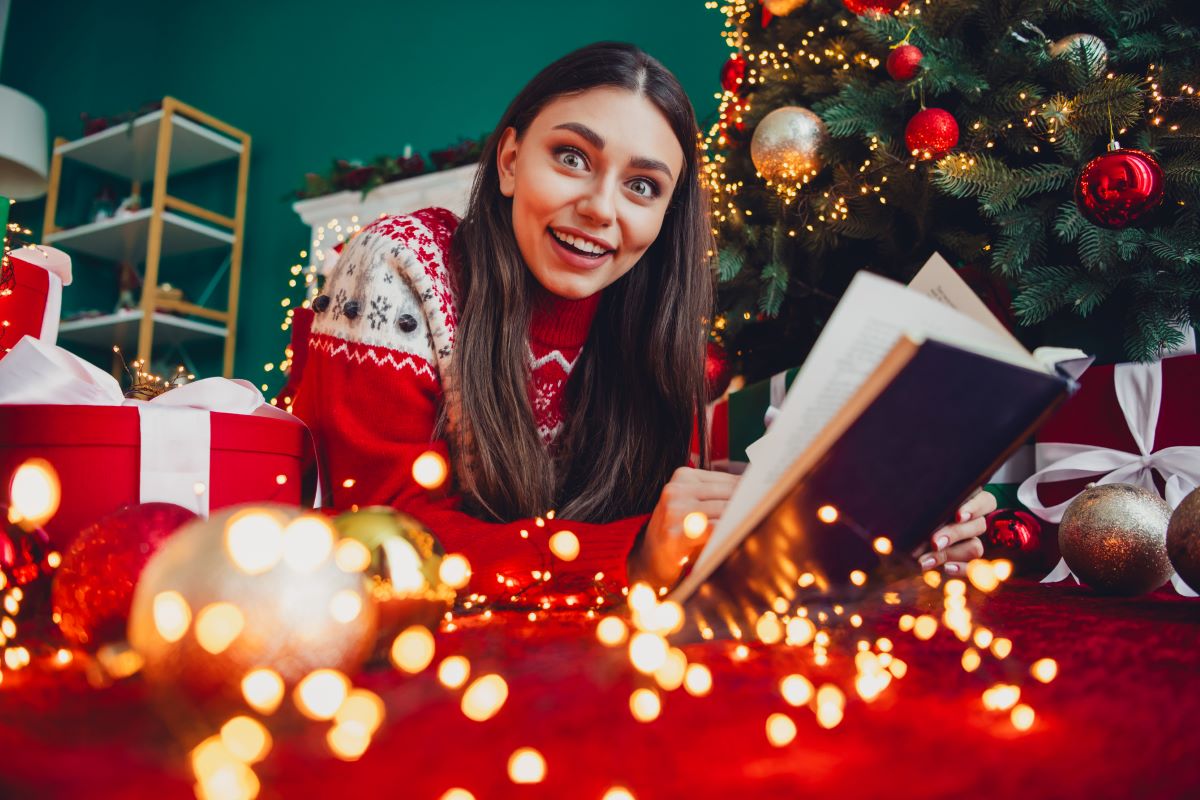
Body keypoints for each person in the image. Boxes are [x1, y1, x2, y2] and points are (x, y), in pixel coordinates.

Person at [289, 42, 991, 607]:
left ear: (665, 216)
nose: (602, 207)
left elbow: (668, 533)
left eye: (643, 186)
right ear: (509, 161)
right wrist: (630, 555)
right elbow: (384, 543)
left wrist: (889, 540)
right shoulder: (398, 264)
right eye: (572, 157)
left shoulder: (652, 327)